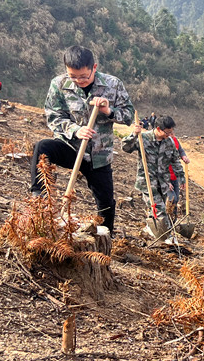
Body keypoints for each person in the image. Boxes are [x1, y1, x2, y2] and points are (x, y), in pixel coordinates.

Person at [29, 45, 134, 234]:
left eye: (84, 76)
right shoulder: (59, 84)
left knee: (105, 203)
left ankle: (105, 238)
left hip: (99, 154)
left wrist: (109, 112)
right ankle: (40, 200)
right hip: (70, 146)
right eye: (73, 76)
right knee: (43, 147)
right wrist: (75, 130)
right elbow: (53, 116)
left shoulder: (113, 84)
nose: (79, 81)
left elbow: (128, 115)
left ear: (94, 67)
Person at [122, 115, 185, 238]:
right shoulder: (143, 138)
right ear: (159, 129)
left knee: (160, 209)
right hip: (147, 182)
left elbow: (175, 160)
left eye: (172, 131)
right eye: (168, 132)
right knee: (159, 209)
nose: (170, 134)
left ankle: (151, 230)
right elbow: (125, 148)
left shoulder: (169, 142)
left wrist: (181, 177)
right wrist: (134, 134)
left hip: (163, 182)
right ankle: (166, 236)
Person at [167, 134, 190, 213]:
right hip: (166, 177)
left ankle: (173, 221)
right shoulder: (163, 144)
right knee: (172, 199)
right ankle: (166, 220)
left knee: (176, 200)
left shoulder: (175, 140)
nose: (172, 135)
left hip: (175, 176)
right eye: (169, 133)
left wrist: (183, 156)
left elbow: (181, 150)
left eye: (172, 132)